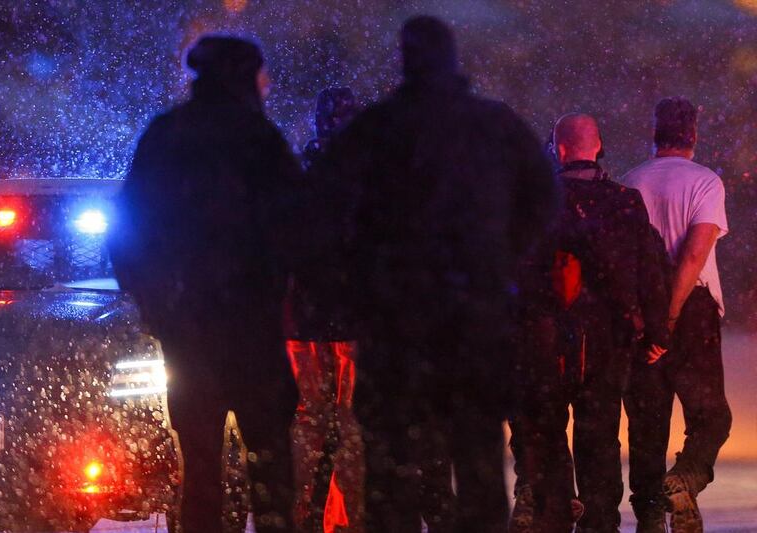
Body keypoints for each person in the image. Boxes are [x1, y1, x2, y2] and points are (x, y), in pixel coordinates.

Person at [308, 16, 557, 532]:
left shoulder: (375, 129)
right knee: (478, 461)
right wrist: (496, 260)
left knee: (392, 464)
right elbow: (543, 200)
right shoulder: (494, 125)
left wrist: (364, 280)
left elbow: (322, 216)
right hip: (474, 320)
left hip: (395, 323)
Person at [108, 35, 301, 533]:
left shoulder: (166, 136)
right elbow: (300, 227)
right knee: (270, 461)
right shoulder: (261, 140)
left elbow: (128, 229)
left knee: (200, 468)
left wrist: (156, 306)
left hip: (188, 329)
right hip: (253, 327)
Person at [509, 113, 670, 533]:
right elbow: (648, 271)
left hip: (545, 337)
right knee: (598, 435)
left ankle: (556, 513)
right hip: (607, 338)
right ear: (598, 147)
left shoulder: (535, 202)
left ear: (557, 149)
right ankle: (600, 520)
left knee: (547, 429)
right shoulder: (625, 201)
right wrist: (656, 331)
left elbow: (514, 272)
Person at [621, 97, 732, 533]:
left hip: (640, 311)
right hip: (693, 311)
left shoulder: (630, 182)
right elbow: (694, 255)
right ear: (694, 134)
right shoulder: (706, 183)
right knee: (710, 415)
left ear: (655, 133)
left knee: (647, 421)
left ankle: (649, 514)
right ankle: (684, 478)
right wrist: (669, 318)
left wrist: (645, 320)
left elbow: (624, 260)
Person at [285, 87, 364, 533]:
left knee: (308, 424)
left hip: (305, 322)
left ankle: (304, 517)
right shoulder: (370, 176)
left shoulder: (300, 174)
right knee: (351, 428)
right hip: (352, 321)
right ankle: (346, 520)